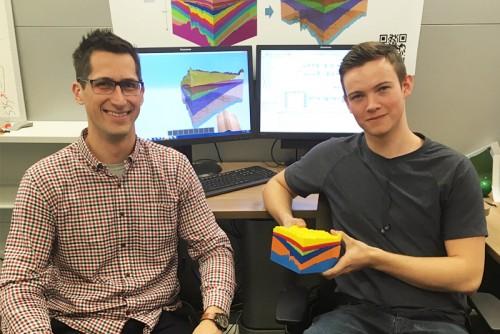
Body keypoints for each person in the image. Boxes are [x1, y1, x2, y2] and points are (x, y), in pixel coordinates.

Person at [0, 29, 235, 334]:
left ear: (142, 92)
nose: (119, 98)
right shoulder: (44, 179)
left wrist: (213, 318)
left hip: (158, 318)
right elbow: (19, 281)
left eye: (128, 85)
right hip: (76, 321)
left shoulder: (174, 168)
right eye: (104, 84)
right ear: (78, 91)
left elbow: (213, 248)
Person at [263, 41, 487, 333]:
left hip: (435, 319)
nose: (371, 105)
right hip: (353, 315)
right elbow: (276, 185)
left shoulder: (453, 170)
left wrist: (375, 258)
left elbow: (467, 276)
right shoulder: (333, 156)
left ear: (406, 85)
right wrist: (287, 219)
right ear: (347, 104)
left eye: (383, 89)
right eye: (357, 96)